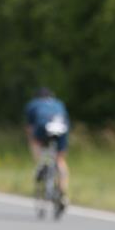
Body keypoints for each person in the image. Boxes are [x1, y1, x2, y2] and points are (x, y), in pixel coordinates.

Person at [24, 87, 70, 215]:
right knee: (60, 159)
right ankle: (63, 194)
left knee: (34, 142)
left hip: (43, 126)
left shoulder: (33, 104)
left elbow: (30, 127)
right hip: (61, 127)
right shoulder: (59, 103)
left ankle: (41, 164)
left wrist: (32, 140)